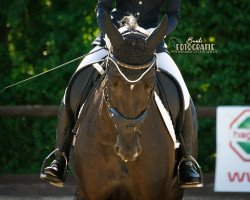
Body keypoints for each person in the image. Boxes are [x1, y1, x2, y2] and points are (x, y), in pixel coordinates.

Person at [40, 0, 202, 189]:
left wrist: (157, 33)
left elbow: (173, 14)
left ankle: (186, 161)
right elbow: (103, 7)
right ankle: (60, 156)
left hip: (151, 43)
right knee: (75, 83)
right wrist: (109, 34)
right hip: (114, 39)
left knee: (181, 90)